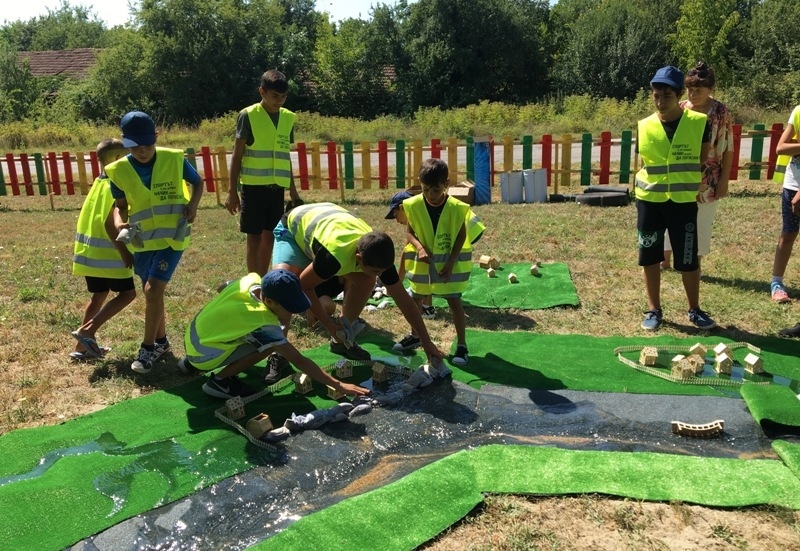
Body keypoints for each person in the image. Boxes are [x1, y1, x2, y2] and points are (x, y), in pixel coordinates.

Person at [271, 202, 445, 365]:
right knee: (282, 285)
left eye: (382, 271)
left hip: (327, 224)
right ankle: (278, 353)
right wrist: (328, 323)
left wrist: (427, 343)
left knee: (366, 280)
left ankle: (342, 341)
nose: (380, 276)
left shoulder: (378, 255)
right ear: (358, 259)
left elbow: (404, 301)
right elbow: (304, 285)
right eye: (377, 271)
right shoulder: (334, 257)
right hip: (293, 228)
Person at [107, 111, 204, 373]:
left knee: (152, 291)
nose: (142, 151)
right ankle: (161, 341)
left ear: (156, 138)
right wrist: (119, 222)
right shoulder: (119, 171)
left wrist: (193, 205)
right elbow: (120, 206)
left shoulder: (174, 159)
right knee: (153, 295)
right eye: (135, 146)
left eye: (147, 145)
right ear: (125, 142)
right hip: (143, 240)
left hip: (173, 238)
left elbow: (198, 182)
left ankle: (147, 350)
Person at [180, 269, 369, 399]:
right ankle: (219, 382)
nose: (292, 313)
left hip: (193, 337)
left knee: (240, 331)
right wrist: (339, 385)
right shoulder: (263, 321)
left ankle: (190, 362)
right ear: (269, 301)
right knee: (269, 345)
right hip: (203, 353)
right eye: (288, 308)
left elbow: (222, 287)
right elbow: (299, 360)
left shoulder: (250, 281)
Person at [635, 66, 715, 331]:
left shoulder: (698, 123)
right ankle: (654, 309)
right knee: (650, 255)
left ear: (679, 94)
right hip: (650, 201)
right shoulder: (644, 125)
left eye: (667, 96)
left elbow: (702, 158)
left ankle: (695, 309)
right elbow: (646, 161)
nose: (660, 101)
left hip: (682, 202)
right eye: (656, 95)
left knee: (688, 258)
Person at [385, 159, 474, 365]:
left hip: (447, 266)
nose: (431, 195)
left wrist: (451, 263)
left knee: (454, 302)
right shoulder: (413, 205)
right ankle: (415, 336)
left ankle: (461, 345)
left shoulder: (456, 208)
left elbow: (461, 236)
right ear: (419, 183)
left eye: (436, 189)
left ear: (447, 184)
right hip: (422, 264)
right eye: (426, 189)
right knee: (415, 299)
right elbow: (409, 233)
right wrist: (420, 248)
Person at [226, 69, 301, 276]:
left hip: (277, 188)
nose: (280, 101)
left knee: (271, 236)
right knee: (254, 238)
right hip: (253, 188)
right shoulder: (248, 115)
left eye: (284, 96)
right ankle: (253, 281)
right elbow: (236, 155)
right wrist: (232, 191)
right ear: (262, 91)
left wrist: (293, 190)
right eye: (275, 96)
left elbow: (285, 156)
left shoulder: (288, 118)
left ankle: (264, 279)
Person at [662, 62, 734, 272]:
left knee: (701, 220)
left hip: (709, 177)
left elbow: (728, 147)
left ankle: (695, 262)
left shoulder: (721, 112)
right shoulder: (681, 108)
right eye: (689, 90)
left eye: (698, 90)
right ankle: (665, 259)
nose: (693, 95)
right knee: (671, 213)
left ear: (710, 90)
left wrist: (724, 180)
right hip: (679, 172)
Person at [70, 139, 136, 360]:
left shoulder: (99, 182)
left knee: (99, 294)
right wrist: (125, 252)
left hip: (90, 254)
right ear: (118, 159)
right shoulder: (116, 184)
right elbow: (110, 224)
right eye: (128, 155)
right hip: (110, 254)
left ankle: (82, 348)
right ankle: (86, 331)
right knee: (128, 293)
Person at [768, 103, 800, 303]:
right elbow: (781, 147)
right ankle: (776, 283)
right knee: (788, 233)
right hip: (792, 184)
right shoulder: (798, 111)